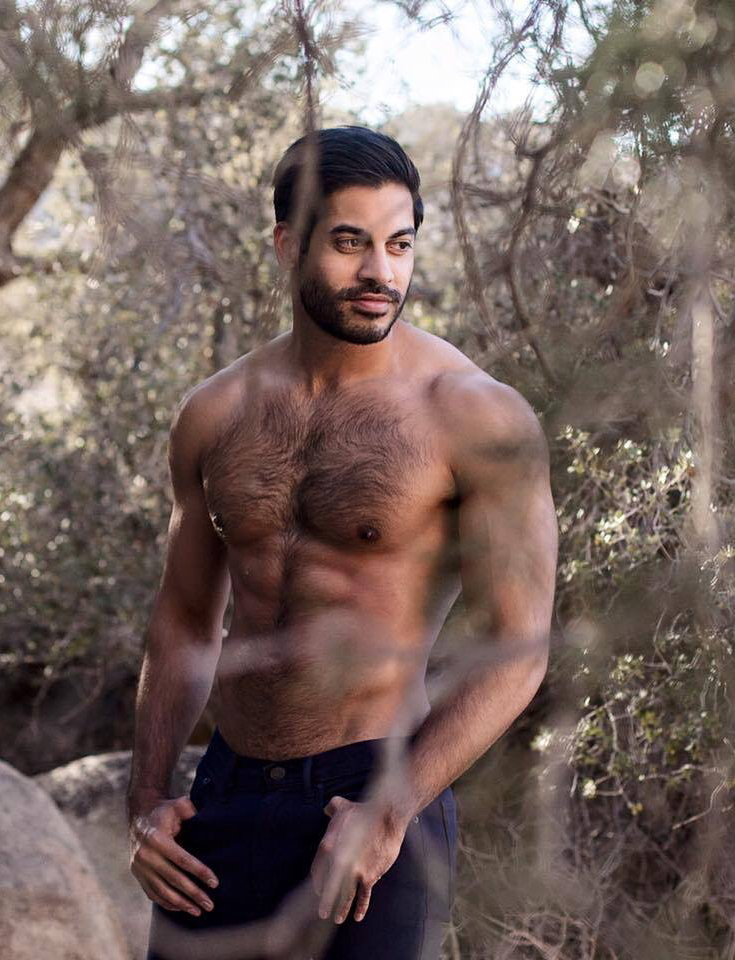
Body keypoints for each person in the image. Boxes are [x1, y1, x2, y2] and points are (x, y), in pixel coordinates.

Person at [127, 125, 558, 960]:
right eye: (350, 242)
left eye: (399, 245)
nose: (380, 274)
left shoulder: (472, 415)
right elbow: (182, 619)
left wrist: (391, 810)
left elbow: (520, 645)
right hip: (222, 795)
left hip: (372, 798)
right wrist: (147, 798)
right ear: (287, 245)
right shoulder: (215, 414)